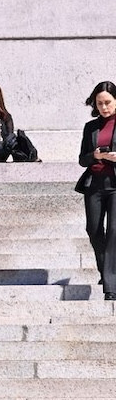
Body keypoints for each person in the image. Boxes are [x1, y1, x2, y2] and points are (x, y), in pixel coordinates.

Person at [77, 81, 116, 299]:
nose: (104, 107)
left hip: (115, 184)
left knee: (114, 232)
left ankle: (111, 286)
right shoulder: (90, 127)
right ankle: (106, 270)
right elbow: (82, 159)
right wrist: (96, 155)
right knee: (93, 230)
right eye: (100, 103)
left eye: (108, 102)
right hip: (94, 184)